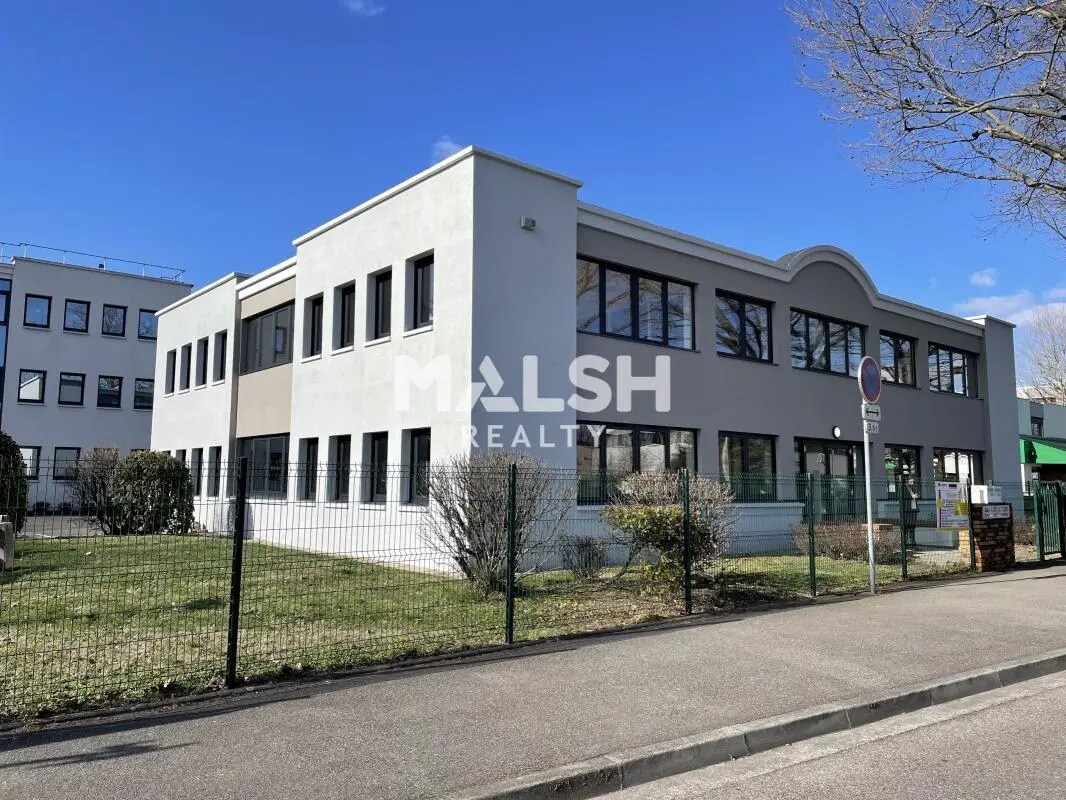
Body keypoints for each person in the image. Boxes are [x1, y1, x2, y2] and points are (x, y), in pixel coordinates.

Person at [902, 477, 919, 547]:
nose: (912, 483)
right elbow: (903, 498)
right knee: (906, 527)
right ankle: (905, 543)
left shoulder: (913, 488)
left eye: (913, 482)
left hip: (913, 509)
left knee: (912, 527)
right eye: (911, 482)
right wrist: (912, 496)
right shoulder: (903, 488)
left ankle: (912, 544)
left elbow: (917, 494)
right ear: (907, 481)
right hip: (907, 510)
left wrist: (917, 495)